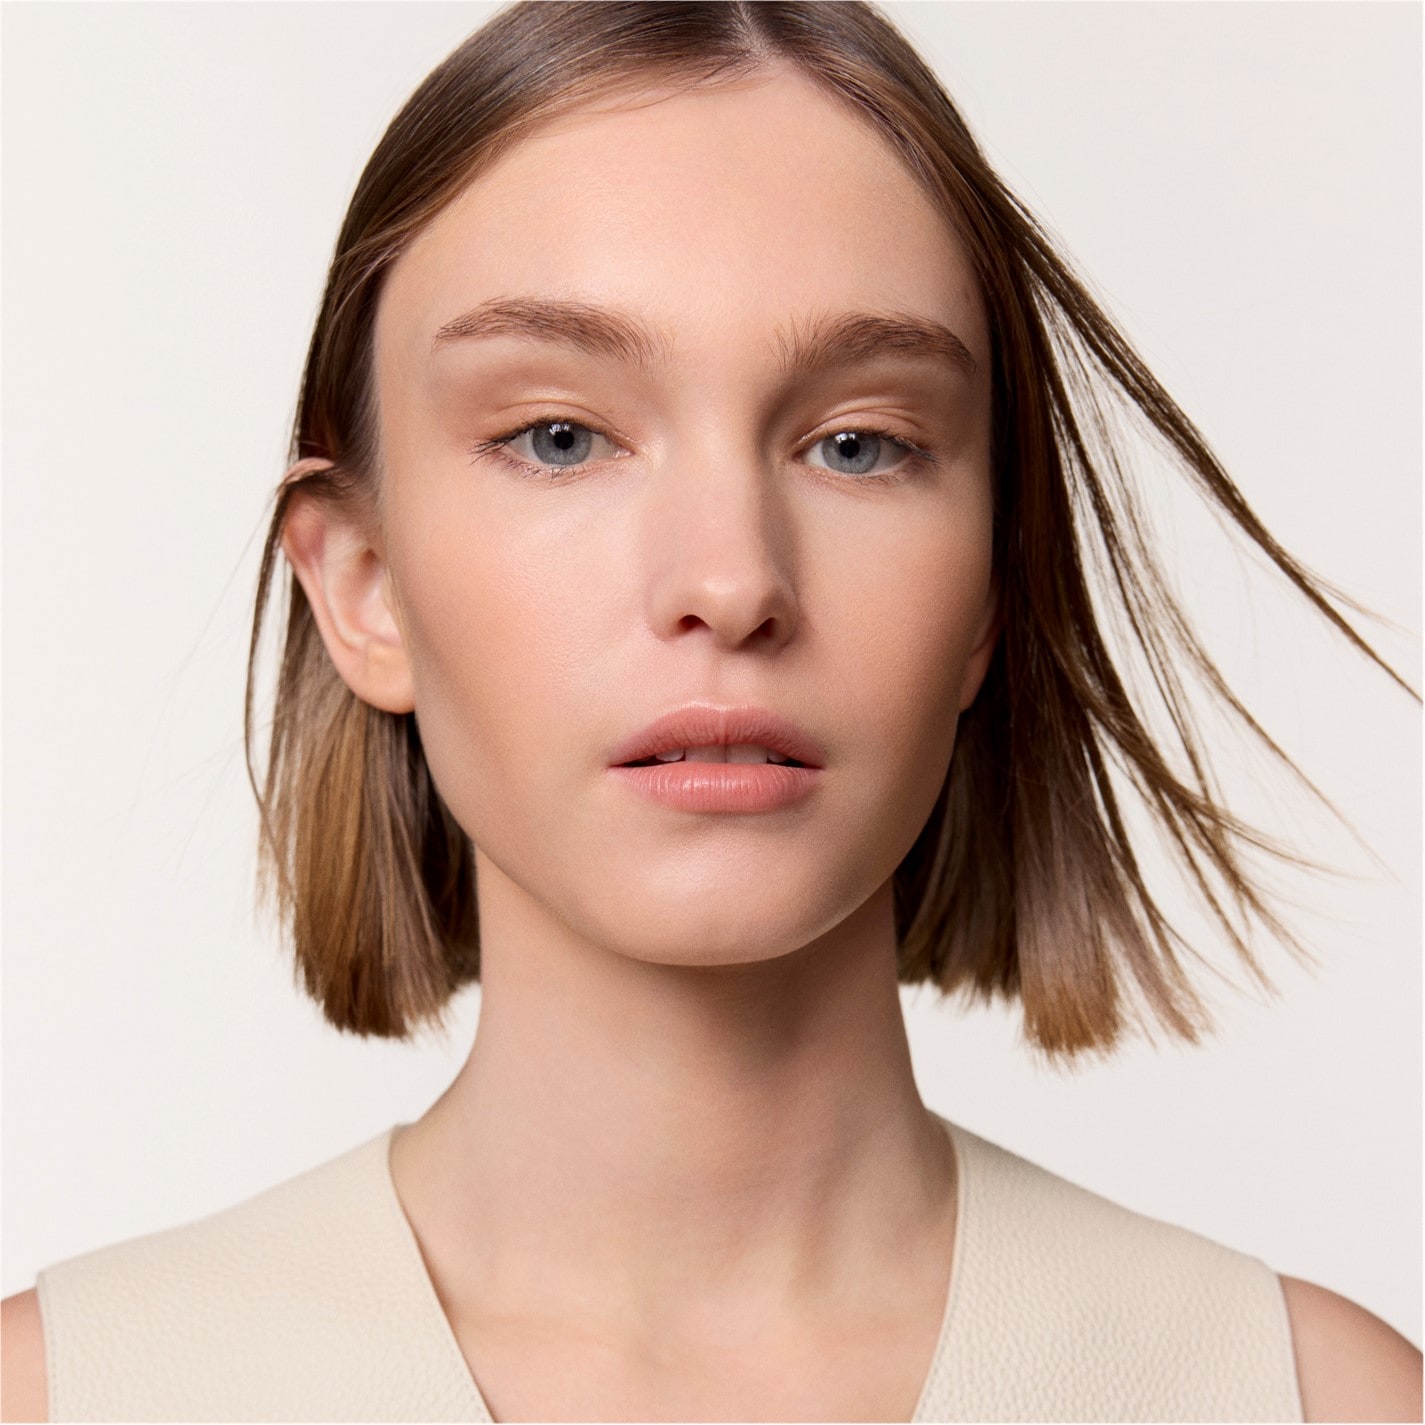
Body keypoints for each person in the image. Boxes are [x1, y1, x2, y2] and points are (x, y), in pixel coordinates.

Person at [3, 2, 1419, 1420]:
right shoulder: (71, 1392)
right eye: (559, 437)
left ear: (992, 589)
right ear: (363, 587)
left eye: (858, 445)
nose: (732, 582)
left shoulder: (1312, 1398)